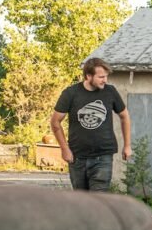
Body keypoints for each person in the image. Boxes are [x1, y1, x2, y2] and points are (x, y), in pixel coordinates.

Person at [50, 57, 132, 191]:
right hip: (77, 157)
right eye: (101, 77)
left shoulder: (110, 91)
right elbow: (55, 122)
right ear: (88, 76)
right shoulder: (71, 93)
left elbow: (124, 116)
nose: (105, 80)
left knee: (99, 199)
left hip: (103, 156)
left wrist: (127, 145)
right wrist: (64, 148)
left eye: (106, 76)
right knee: (82, 201)